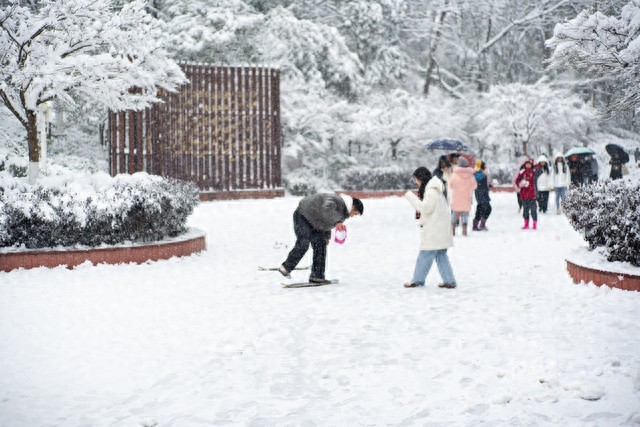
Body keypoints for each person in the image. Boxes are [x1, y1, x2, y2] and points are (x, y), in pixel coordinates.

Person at [279, 193, 364, 283]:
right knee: (303, 243)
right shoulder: (337, 200)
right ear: (353, 207)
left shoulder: (342, 214)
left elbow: (327, 222)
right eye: (355, 213)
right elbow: (326, 209)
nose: (353, 216)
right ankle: (286, 267)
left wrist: (327, 237)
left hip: (316, 223)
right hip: (303, 215)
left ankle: (317, 276)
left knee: (321, 244)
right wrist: (338, 221)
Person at [404, 167, 457, 289]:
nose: (415, 182)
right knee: (440, 255)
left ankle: (417, 280)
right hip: (440, 229)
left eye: (416, 179)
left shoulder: (431, 191)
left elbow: (425, 208)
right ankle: (449, 281)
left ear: (421, 178)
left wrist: (410, 197)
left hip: (435, 230)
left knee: (425, 254)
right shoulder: (435, 190)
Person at [448, 157, 477, 236]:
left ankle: (453, 231)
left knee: (454, 214)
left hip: (456, 198)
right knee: (465, 214)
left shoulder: (454, 174)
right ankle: (464, 231)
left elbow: (450, 185)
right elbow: (475, 186)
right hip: (466, 198)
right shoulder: (471, 175)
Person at [515, 158, 538, 230]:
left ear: (531, 165)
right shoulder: (522, 172)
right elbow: (517, 181)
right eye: (526, 164)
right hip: (524, 195)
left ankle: (534, 224)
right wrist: (521, 183)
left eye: (529, 164)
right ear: (524, 165)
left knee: (533, 210)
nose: (528, 165)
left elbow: (536, 181)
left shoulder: (534, 172)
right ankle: (526, 224)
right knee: (525, 211)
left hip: (532, 195)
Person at [472, 160, 492, 231]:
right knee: (484, 208)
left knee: (483, 208)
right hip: (480, 193)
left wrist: (489, 184)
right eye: (484, 165)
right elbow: (478, 178)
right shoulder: (476, 172)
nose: (486, 166)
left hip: (484, 192)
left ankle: (479, 224)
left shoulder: (483, 173)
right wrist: (484, 173)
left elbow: (484, 181)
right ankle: (478, 224)